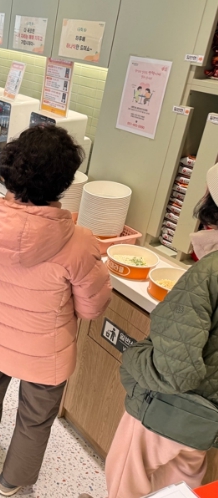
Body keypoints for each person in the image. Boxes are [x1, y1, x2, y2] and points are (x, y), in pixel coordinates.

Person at [0, 126, 111, 495]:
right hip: (46, 352)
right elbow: (92, 307)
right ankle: (13, 481)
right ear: (64, 182)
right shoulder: (80, 242)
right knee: (36, 418)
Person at [101, 162, 218, 498]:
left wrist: (133, 355)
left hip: (165, 412)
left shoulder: (207, 274)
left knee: (126, 483)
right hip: (206, 424)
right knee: (181, 487)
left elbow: (173, 373)